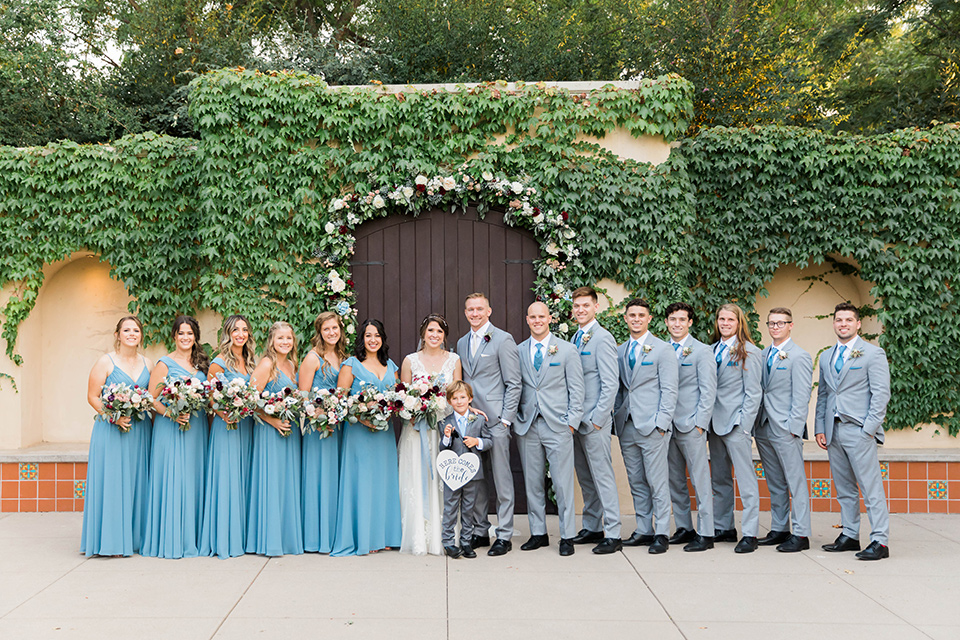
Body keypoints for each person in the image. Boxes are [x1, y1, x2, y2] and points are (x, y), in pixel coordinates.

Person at [815, 302, 891, 560]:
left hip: (859, 430)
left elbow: (881, 395)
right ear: (834, 323)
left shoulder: (872, 353)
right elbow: (824, 394)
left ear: (858, 324)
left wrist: (868, 430)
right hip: (832, 431)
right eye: (839, 320)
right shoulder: (826, 356)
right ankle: (849, 534)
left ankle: (880, 541)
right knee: (844, 488)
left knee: (871, 489)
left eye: (848, 320)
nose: (843, 324)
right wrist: (819, 428)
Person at [514, 301, 584, 557]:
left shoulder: (566, 350)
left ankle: (567, 535)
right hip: (528, 424)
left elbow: (577, 388)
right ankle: (538, 533)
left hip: (558, 425)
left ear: (550, 318)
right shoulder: (519, 350)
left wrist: (572, 423)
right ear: (527, 319)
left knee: (563, 483)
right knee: (532, 482)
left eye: (541, 316)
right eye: (532, 317)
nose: (537, 320)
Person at [81, 316, 154, 557]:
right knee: (112, 482)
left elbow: (152, 397)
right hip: (112, 430)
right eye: (126, 330)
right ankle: (110, 541)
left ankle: (134, 539)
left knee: (136, 482)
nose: (132, 334)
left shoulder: (148, 363)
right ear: (117, 335)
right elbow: (93, 397)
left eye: (136, 330)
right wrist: (114, 417)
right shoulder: (106, 361)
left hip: (139, 431)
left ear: (141, 335)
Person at [455, 293, 522, 557]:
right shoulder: (461, 342)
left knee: (502, 478)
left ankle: (504, 535)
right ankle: (480, 530)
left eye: (479, 309)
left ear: (489, 311)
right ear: (465, 312)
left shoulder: (503, 339)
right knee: (476, 479)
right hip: (471, 423)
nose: (475, 313)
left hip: (495, 421)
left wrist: (506, 419)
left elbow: (514, 383)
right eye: (470, 309)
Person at [332, 319, 402, 556]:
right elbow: (338, 402)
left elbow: (399, 397)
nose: (373, 340)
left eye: (377, 335)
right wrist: (359, 414)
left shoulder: (391, 366)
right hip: (359, 433)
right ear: (361, 338)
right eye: (368, 335)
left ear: (383, 339)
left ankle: (386, 535)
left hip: (384, 434)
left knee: (384, 480)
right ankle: (365, 537)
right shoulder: (351, 365)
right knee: (362, 481)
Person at [613, 298, 678, 555]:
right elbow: (620, 388)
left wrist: (661, 424)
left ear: (649, 319)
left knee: (657, 481)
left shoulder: (662, 350)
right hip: (627, 425)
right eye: (632, 315)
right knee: (636, 480)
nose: (636, 319)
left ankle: (661, 531)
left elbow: (669, 390)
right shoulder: (620, 351)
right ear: (626, 319)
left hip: (652, 426)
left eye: (641, 315)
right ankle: (643, 529)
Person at [142, 315, 209, 559]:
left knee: (193, 479)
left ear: (195, 337)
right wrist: (172, 413)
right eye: (181, 333)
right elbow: (151, 398)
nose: (185, 338)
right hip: (170, 428)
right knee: (175, 479)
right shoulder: (164, 363)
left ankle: (193, 537)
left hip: (197, 428)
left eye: (190, 334)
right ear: (174, 336)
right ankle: (171, 539)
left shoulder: (202, 364)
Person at [398, 314, 462, 556]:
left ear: (444, 336)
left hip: (443, 430)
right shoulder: (410, 361)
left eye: (440, 332)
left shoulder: (453, 360)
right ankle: (417, 533)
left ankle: (443, 533)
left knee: (442, 479)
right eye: (431, 331)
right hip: (416, 430)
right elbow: (402, 397)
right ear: (423, 334)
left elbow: (457, 394)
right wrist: (412, 409)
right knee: (417, 477)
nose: (435, 335)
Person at [755, 307, 814, 553]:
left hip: (786, 427)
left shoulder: (799, 356)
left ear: (791, 325)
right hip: (763, 425)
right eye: (772, 323)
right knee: (775, 481)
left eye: (781, 323)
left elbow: (802, 395)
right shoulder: (762, 354)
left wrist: (794, 427)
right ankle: (780, 528)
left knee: (795, 481)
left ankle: (801, 534)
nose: (776, 327)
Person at [568, 286, 622, 554]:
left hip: (594, 421)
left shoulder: (603, 338)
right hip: (576, 421)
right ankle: (592, 526)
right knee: (585, 477)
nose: (580, 310)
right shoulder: (576, 338)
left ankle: (613, 532)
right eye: (576, 306)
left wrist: (599, 418)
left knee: (602, 475)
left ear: (595, 307)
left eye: (585, 306)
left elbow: (610, 383)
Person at [200, 314, 257, 559]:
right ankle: (224, 539)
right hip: (227, 427)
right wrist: (226, 414)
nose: (240, 334)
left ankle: (243, 537)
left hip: (246, 428)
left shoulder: (251, 362)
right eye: (236, 330)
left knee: (243, 479)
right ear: (228, 334)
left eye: (244, 330)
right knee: (227, 479)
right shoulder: (219, 363)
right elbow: (211, 399)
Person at [708, 303, 763, 554]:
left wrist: (744, 426)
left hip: (736, 424)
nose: (725, 323)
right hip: (712, 424)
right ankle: (724, 527)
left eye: (731, 319)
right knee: (720, 479)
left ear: (739, 323)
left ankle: (750, 532)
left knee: (746, 480)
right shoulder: (709, 351)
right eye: (722, 319)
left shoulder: (749, 351)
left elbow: (753, 392)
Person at [246, 321, 304, 556]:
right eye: (280, 338)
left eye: (289, 338)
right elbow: (249, 401)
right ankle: (269, 540)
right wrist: (272, 420)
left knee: (287, 483)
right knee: (271, 482)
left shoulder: (292, 365)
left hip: (289, 433)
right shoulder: (266, 364)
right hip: (270, 432)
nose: (285, 342)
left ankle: (287, 539)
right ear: (271, 340)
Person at [663, 302, 717, 552]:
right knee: (674, 479)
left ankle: (706, 532)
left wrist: (700, 424)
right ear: (665, 322)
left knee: (699, 479)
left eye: (682, 320)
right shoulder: (661, 349)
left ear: (690, 323)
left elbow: (708, 390)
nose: (677, 324)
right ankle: (684, 527)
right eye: (672, 319)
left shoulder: (702, 351)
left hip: (691, 424)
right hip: (666, 425)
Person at [299, 311, 349, 554]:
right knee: (319, 477)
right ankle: (316, 537)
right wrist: (320, 416)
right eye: (327, 329)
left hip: (338, 426)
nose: (332, 332)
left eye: (335, 328)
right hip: (318, 429)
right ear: (319, 332)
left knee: (336, 478)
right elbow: (303, 396)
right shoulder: (313, 358)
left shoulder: (344, 356)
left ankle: (334, 533)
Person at [438, 381, 491, 559]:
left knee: (469, 508)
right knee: (450, 506)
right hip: (452, 473)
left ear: (470, 399)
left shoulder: (479, 419)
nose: (459, 402)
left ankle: (466, 542)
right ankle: (448, 542)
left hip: (472, 472)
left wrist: (478, 442)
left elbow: (489, 441)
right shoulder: (445, 422)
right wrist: (446, 437)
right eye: (455, 398)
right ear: (449, 401)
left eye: (463, 398)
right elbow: (443, 448)